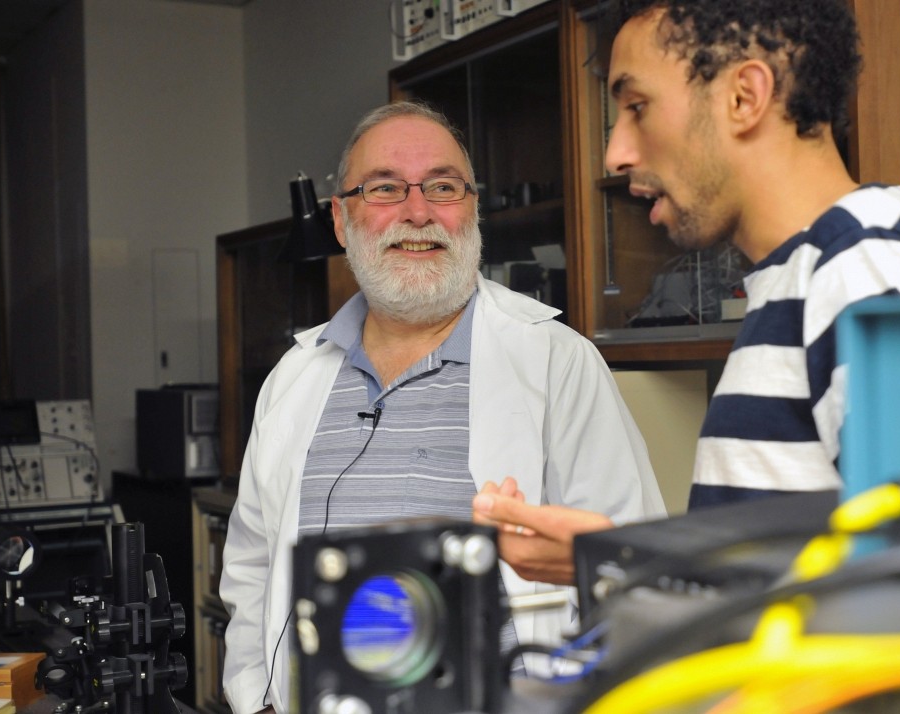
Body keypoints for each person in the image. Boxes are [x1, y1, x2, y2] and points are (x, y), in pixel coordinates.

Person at [472, 0, 900, 584]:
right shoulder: (801, 281)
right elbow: (772, 589)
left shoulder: (867, 265)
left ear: (744, 97)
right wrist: (615, 562)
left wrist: (627, 561)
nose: (617, 153)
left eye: (637, 107)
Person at [218, 100, 666, 714]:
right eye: (385, 189)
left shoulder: (558, 361)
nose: (419, 212)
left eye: (443, 187)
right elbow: (251, 564)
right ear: (342, 221)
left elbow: (628, 567)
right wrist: (256, 700)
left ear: (472, 210)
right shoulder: (294, 376)